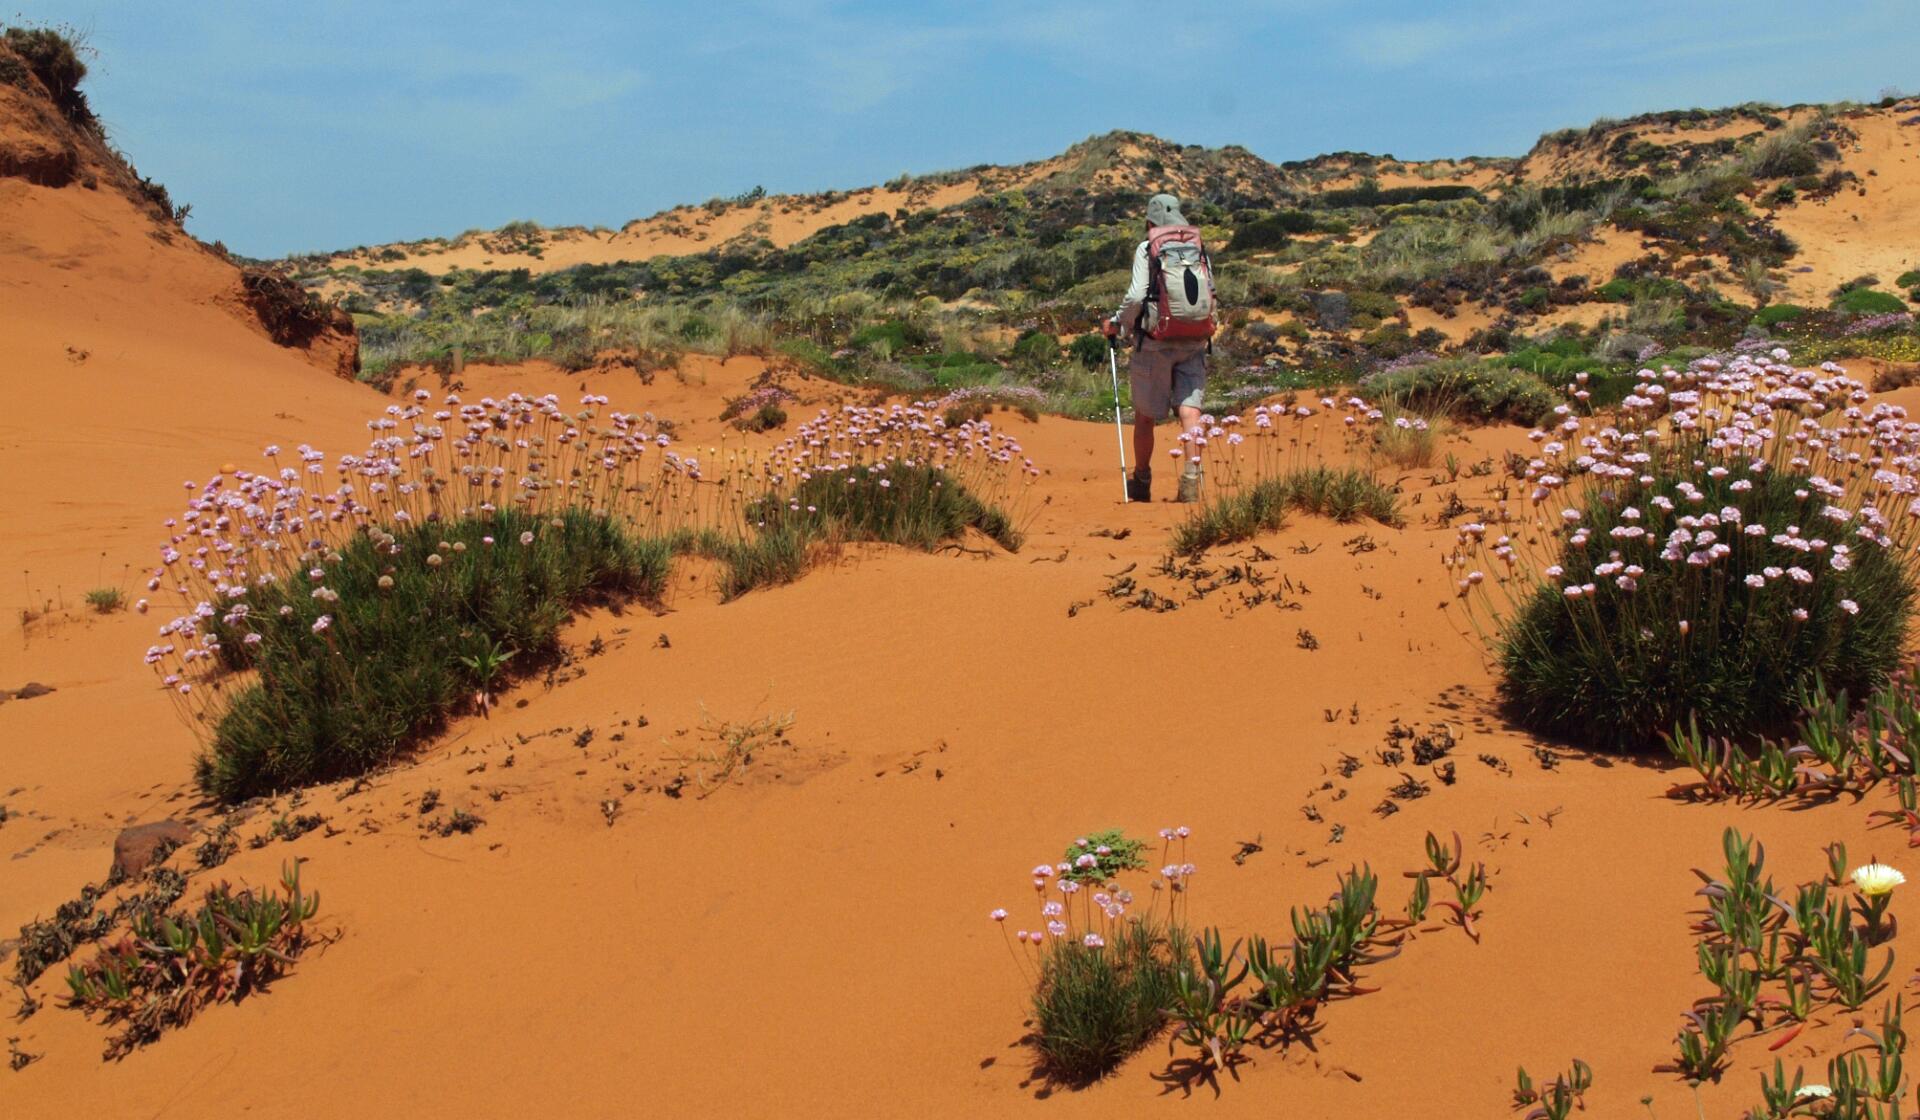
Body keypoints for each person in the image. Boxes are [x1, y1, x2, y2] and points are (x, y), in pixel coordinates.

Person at [1104, 193, 1213, 503]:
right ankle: (1191, 482)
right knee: (1190, 411)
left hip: (1155, 342)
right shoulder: (1197, 246)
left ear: (1150, 222)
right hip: (1194, 339)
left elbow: (1137, 296)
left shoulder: (1147, 248)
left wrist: (1119, 324)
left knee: (1145, 415)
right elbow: (1211, 290)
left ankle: (1141, 481)